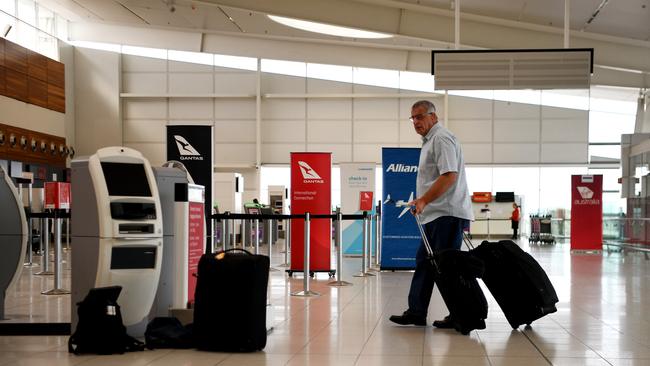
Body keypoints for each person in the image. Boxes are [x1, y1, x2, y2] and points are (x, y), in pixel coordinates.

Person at [389, 100, 474, 328]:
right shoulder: (429, 141)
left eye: (420, 116)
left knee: (445, 268)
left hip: (446, 213)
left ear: (433, 117)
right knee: (425, 262)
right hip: (435, 213)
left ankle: (462, 314)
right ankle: (417, 312)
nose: (416, 122)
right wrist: (421, 200)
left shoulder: (441, 138)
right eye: (413, 118)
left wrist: (425, 199)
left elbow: (449, 175)